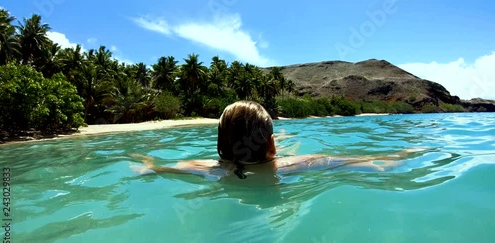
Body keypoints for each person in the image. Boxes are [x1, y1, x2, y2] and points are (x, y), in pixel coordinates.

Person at [131, 100, 418, 180]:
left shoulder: (207, 167)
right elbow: (375, 166)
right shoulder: (299, 164)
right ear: (271, 144)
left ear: (220, 144)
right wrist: (402, 156)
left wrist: (148, 165)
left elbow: (169, 167)